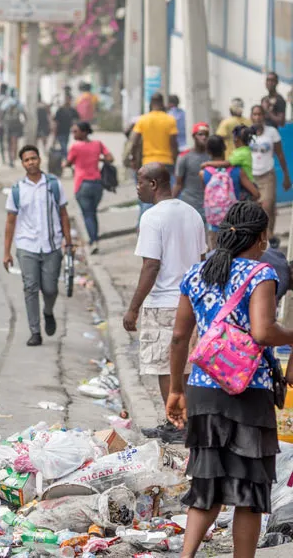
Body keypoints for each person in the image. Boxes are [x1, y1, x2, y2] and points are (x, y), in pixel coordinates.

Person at [166, 201, 293, 558]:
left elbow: (178, 337)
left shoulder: (196, 273)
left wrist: (176, 388)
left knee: (207, 485)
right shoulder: (260, 274)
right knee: (249, 494)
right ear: (262, 237)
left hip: (203, 390)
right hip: (247, 392)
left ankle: (187, 555)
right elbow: (264, 331)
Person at [123, 163, 206, 443]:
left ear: (154, 184)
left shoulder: (152, 217)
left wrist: (133, 308)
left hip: (164, 302)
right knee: (186, 367)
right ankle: (187, 421)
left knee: (164, 366)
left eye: (140, 182)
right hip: (192, 301)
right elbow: (202, 260)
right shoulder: (193, 214)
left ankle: (176, 424)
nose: (137, 187)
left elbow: (151, 266)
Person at [4, 145, 73, 346]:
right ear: (22, 163)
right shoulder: (17, 190)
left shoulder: (53, 185)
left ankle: (48, 311)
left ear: (39, 159)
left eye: (33, 158)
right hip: (27, 247)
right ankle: (35, 331)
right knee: (30, 288)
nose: (31, 162)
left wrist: (68, 241)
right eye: (26, 160)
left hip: (51, 246)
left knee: (50, 289)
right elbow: (10, 221)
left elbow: (63, 213)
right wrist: (6, 252)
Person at [64, 122, 113, 254]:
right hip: (97, 184)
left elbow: (68, 163)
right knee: (93, 212)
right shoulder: (98, 144)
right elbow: (110, 158)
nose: (74, 134)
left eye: (76, 131)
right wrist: (99, 159)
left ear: (84, 132)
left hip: (82, 184)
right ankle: (94, 239)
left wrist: (65, 164)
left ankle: (93, 241)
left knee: (88, 214)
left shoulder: (75, 147)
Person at [130, 93, 179, 217]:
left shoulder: (143, 119)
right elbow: (173, 144)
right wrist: (175, 160)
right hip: (166, 163)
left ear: (151, 104)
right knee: (167, 198)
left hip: (148, 163)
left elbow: (134, 142)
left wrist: (134, 159)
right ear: (162, 103)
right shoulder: (170, 119)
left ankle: (143, 228)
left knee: (147, 198)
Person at [247, 103, 291, 233]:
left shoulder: (272, 132)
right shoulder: (247, 133)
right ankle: (262, 237)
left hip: (267, 176)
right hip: (251, 177)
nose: (257, 117)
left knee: (267, 206)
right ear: (251, 117)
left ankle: (268, 239)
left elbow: (280, 154)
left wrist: (286, 177)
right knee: (255, 210)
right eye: (255, 114)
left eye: (260, 114)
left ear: (264, 116)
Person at [201, 136, 259, 231]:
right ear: (225, 147)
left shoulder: (203, 173)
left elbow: (206, 196)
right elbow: (256, 194)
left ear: (208, 151)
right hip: (236, 224)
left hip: (215, 226)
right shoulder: (237, 170)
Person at [174, 122, 212, 218]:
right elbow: (178, 184)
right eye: (200, 134)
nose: (204, 137)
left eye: (206, 135)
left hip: (210, 204)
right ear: (194, 136)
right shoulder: (184, 157)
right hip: (190, 203)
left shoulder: (212, 156)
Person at [1, 89, 26, 168]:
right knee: (14, 141)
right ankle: (14, 157)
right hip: (16, 125)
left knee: (8, 143)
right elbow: (24, 114)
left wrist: (1, 123)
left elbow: (2, 113)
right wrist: (24, 123)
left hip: (8, 125)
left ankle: (10, 159)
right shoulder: (18, 103)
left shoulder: (6, 102)